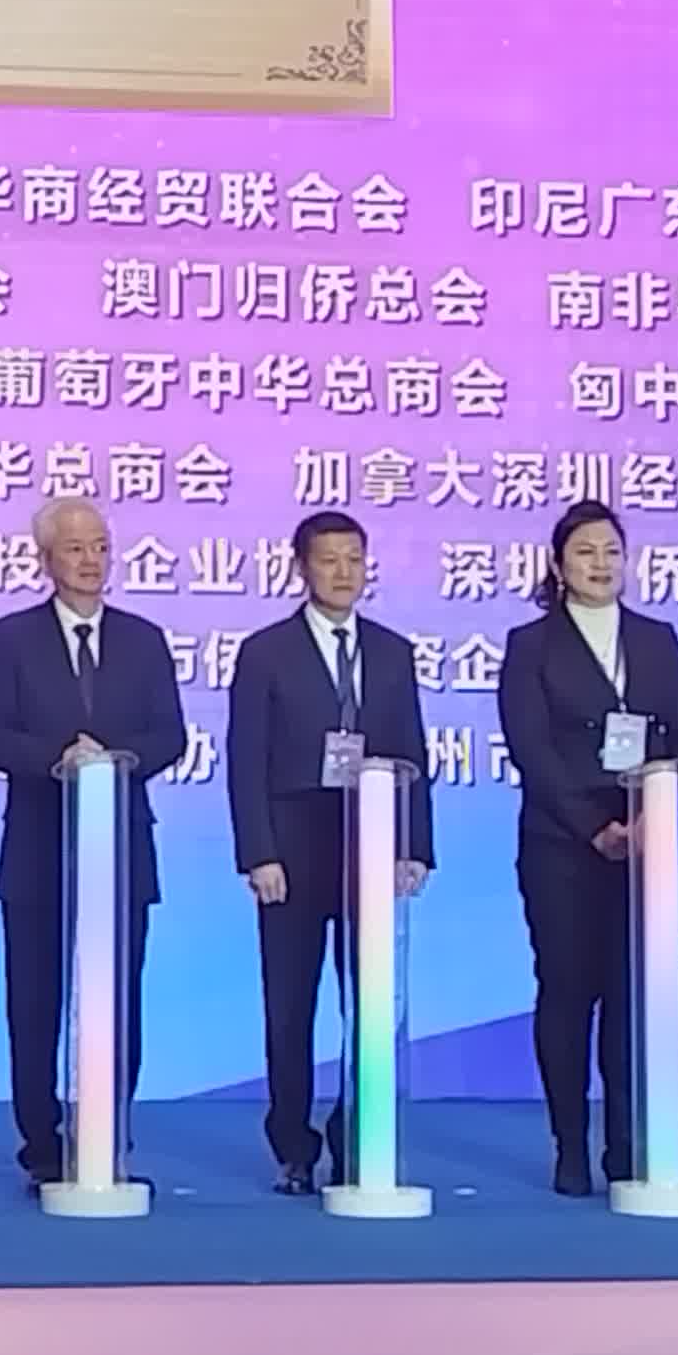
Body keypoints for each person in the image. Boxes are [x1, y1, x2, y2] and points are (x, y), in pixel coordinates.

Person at [0, 496, 189, 1193]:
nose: (91, 560)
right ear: (45, 559)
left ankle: (106, 1133)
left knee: (117, 999)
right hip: (38, 850)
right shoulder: (10, 638)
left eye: (99, 546)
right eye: (75, 548)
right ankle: (41, 1144)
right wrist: (58, 758)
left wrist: (108, 756)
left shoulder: (144, 640)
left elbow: (170, 735)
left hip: (120, 850)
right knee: (34, 1004)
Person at [496, 499, 678, 1196]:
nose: (601, 563)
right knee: (566, 990)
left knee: (629, 996)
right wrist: (594, 827)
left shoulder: (656, 639)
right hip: (561, 845)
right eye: (585, 552)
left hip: (646, 844)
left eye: (612, 550)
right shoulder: (531, 645)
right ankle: (569, 1146)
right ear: (559, 566)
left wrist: (653, 817)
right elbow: (532, 748)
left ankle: (624, 1143)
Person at [227, 508, 434, 1195]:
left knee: (367, 1003)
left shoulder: (392, 651)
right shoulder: (266, 651)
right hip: (291, 848)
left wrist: (414, 845)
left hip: (369, 845)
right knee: (290, 1006)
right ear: (301, 568)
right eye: (329, 560)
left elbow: (412, 750)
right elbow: (246, 759)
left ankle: (356, 1135)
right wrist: (258, 852)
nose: (344, 573)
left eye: (355, 559)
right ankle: (293, 1145)